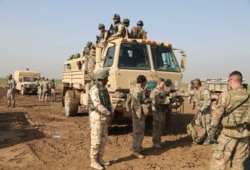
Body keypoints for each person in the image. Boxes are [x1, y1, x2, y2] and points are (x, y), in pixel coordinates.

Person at [210, 71, 250, 170]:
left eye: (229, 81)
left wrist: (213, 131)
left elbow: (216, 115)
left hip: (228, 134)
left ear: (231, 80)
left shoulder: (226, 95)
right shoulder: (248, 95)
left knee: (219, 162)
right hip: (244, 135)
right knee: (239, 164)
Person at [88, 69, 114, 170]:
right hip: (97, 118)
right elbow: (97, 105)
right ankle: (93, 161)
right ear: (102, 78)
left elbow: (108, 102)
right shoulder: (94, 89)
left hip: (104, 117)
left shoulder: (104, 88)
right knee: (96, 140)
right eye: (106, 78)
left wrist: (111, 110)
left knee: (103, 139)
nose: (108, 79)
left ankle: (100, 158)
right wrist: (109, 113)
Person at [150, 78, 171, 148]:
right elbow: (156, 101)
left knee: (161, 126)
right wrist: (167, 100)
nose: (164, 85)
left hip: (162, 111)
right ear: (159, 83)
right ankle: (155, 142)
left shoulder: (161, 91)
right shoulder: (155, 91)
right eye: (163, 84)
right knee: (157, 127)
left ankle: (159, 140)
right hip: (157, 111)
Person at [131, 75, 148, 158]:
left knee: (140, 131)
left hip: (140, 114)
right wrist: (144, 107)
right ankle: (135, 150)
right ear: (143, 82)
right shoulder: (137, 91)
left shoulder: (140, 90)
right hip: (138, 115)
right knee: (137, 132)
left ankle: (139, 147)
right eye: (145, 82)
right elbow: (136, 106)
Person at [192, 78, 212, 145]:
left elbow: (208, 101)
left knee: (207, 124)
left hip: (206, 111)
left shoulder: (205, 91)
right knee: (199, 123)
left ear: (198, 84)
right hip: (199, 110)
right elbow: (195, 97)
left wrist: (203, 108)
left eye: (194, 84)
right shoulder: (196, 90)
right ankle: (202, 137)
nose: (193, 85)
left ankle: (209, 138)